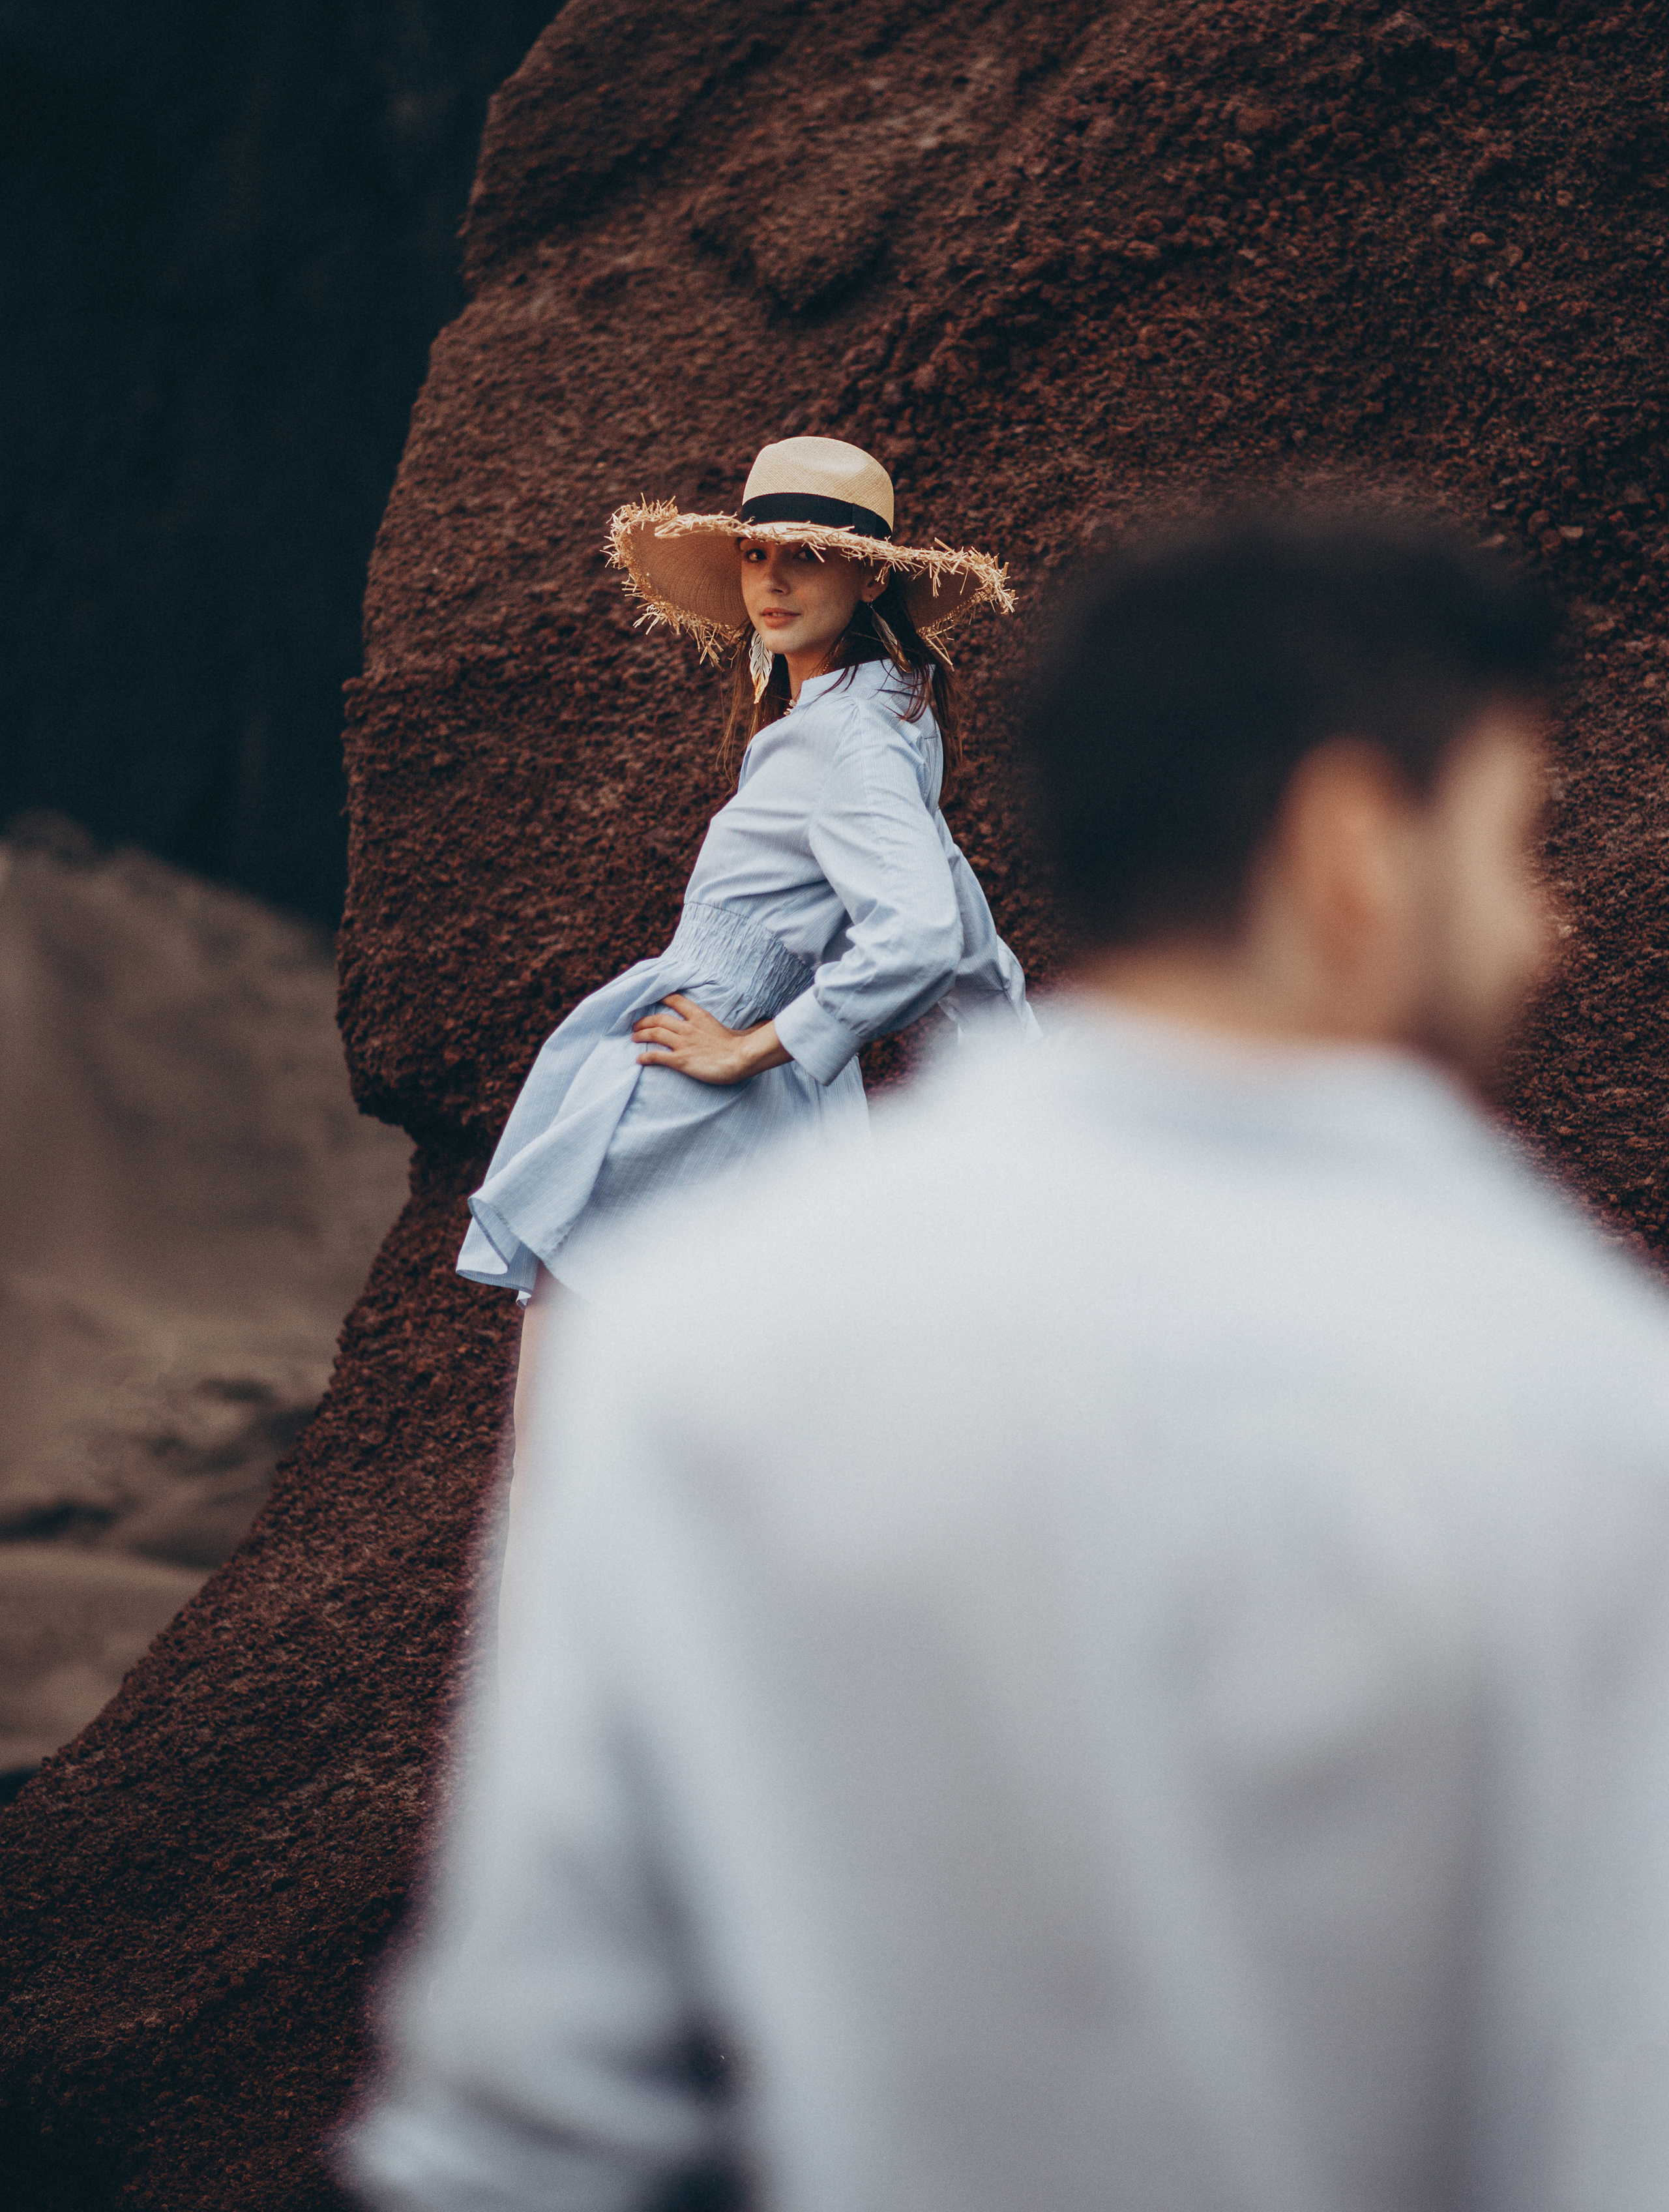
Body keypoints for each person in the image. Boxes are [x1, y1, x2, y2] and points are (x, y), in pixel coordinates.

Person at [347, 505, 1669, 2212]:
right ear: (1353, 855)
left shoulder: (702, 1346)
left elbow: (522, 2127)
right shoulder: (1584, 1405)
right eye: (1517, 847)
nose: (1542, 928)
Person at [460, 430, 1031, 1504]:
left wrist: (759, 1046)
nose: (773, 578)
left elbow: (913, 935)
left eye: (806, 555)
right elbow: (966, 941)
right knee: (683, 1480)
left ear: (869, 575)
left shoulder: (850, 740)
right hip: (744, 1123)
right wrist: (1024, 1092)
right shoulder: (879, 722)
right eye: (758, 553)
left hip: (693, 1109)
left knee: (571, 1471)